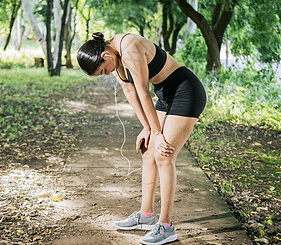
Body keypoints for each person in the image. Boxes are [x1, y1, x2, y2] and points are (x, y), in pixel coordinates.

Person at [76, 32, 206, 245]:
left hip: (185, 90)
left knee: (164, 155)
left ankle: (166, 226)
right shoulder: (114, 57)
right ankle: (146, 216)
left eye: (104, 71)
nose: (108, 74)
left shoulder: (129, 48)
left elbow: (144, 93)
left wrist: (157, 133)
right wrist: (147, 128)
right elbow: (129, 90)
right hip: (165, 94)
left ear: (106, 56)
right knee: (148, 152)